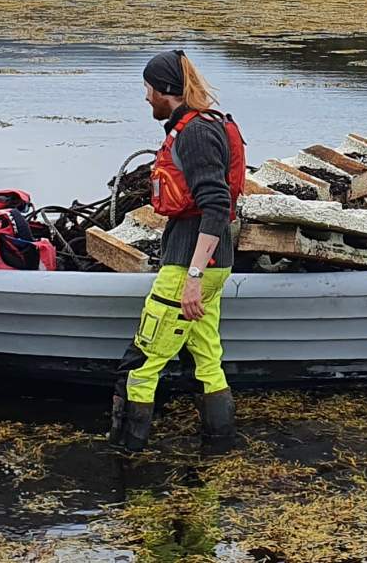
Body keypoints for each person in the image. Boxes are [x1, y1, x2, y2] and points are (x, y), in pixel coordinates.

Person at [109, 50, 241, 454]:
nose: (146, 96)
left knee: (139, 367)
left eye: (148, 88)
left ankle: (123, 461)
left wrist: (193, 278)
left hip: (190, 267)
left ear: (165, 90)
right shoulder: (199, 125)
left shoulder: (196, 133)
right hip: (211, 265)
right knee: (207, 361)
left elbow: (217, 205)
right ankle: (218, 451)